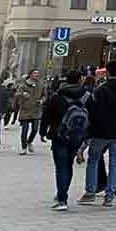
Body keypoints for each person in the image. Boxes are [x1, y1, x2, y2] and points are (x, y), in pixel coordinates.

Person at [80, 60, 116, 207]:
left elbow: (93, 112)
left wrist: (91, 131)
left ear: (107, 72)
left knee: (93, 160)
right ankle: (110, 196)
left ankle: (90, 192)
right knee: (115, 163)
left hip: (101, 132)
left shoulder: (101, 90)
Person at [39, 71, 87, 210]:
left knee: (61, 167)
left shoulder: (57, 96)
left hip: (59, 135)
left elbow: (46, 115)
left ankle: (62, 199)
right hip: (76, 136)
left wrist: (42, 132)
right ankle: (63, 192)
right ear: (79, 80)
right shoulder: (86, 96)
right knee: (69, 164)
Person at [15, 69, 46, 155]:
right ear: (30, 75)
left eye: (37, 73)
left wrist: (42, 101)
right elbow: (17, 94)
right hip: (25, 110)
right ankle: (23, 148)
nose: (37, 75)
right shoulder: (24, 84)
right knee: (24, 130)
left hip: (36, 110)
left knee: (35, 129)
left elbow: (44, 95)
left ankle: (29, 142)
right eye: (35, 73)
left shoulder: (41, 84)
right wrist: (22, 94)